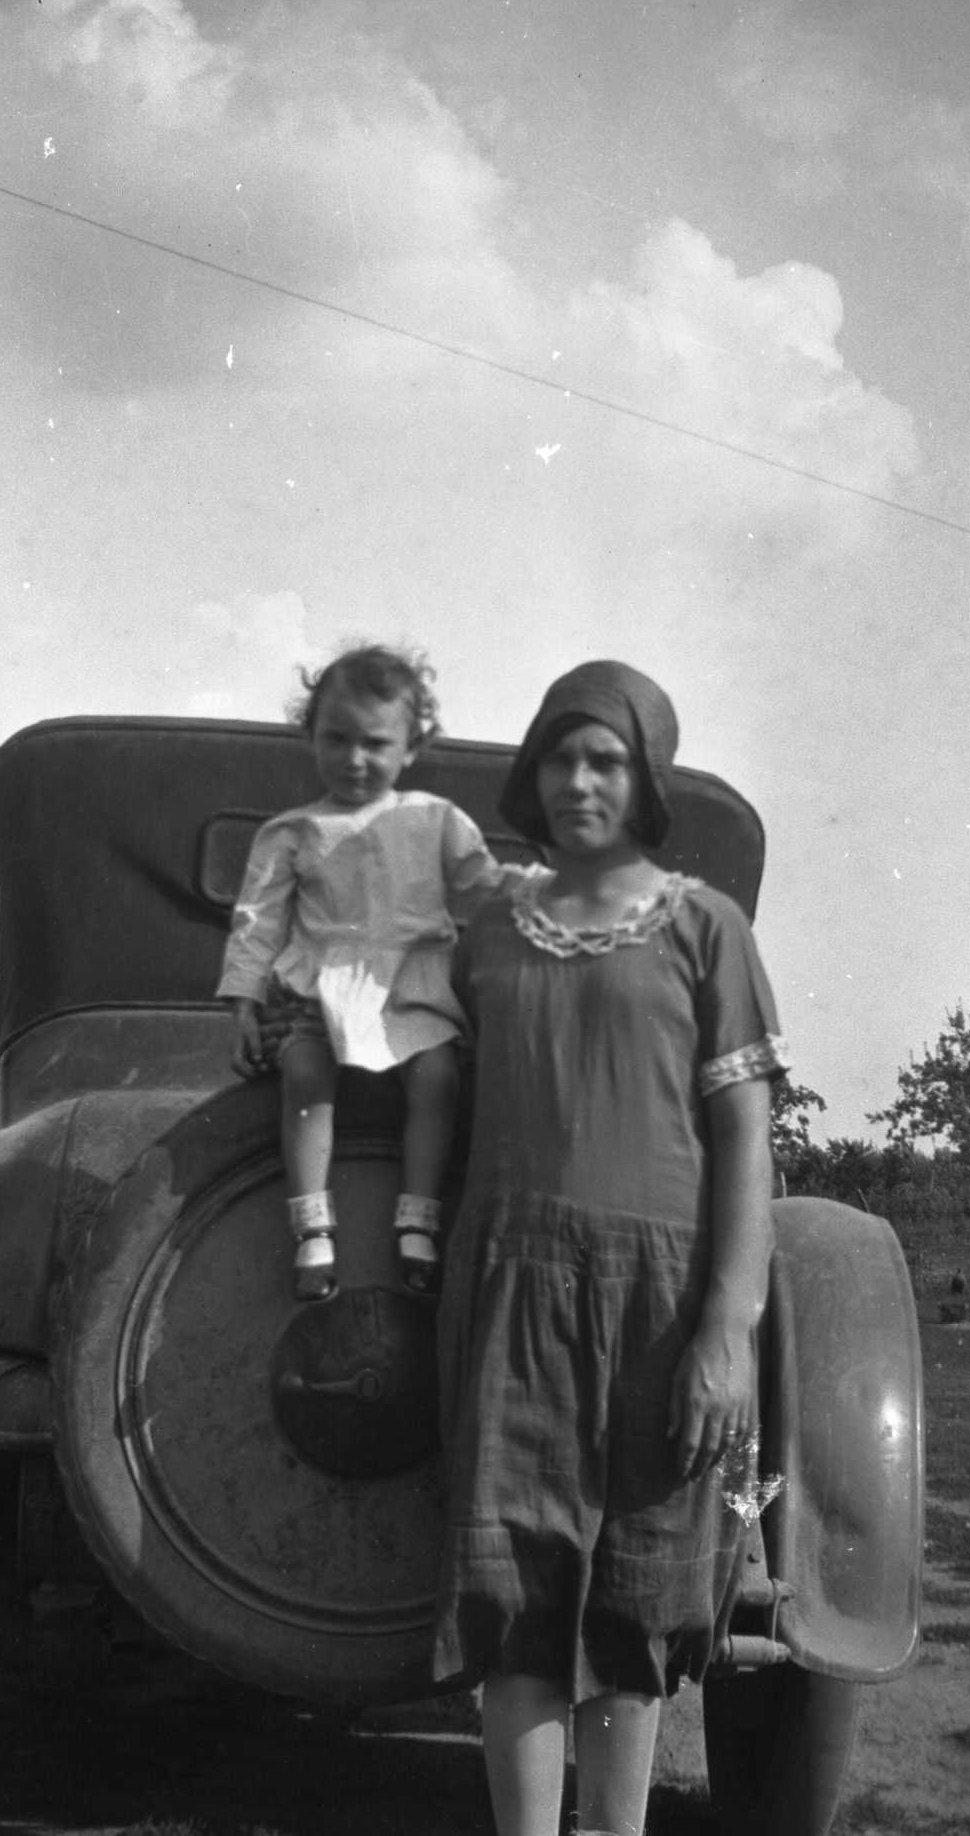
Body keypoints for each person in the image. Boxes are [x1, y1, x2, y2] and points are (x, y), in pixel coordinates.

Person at [433, 660, 790, 1836]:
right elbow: (407, 1059)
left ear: (644, 782)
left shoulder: (703, 927)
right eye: (560, 757)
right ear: (531, 771)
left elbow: (744, 1131)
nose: (579, 780)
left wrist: (725, 1332)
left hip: (660, 1299)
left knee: (635, 1602)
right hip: (507, 1288)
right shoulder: (485, 926)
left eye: (607, 760)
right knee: (513, 1597)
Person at [217, 643, 526, 1302]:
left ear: (410, 747)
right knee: (302, 1073)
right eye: (337, 738)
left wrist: (545, 892)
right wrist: (243, 1001)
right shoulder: (291, 833)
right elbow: (259, 921)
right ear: (311, 735)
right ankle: (311, 1225)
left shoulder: (437, 820)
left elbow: (482, 887)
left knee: (438, 1077)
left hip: (412, 987)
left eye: (376, 743)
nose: (355, 759)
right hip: (322, 990)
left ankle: (417, 1217)